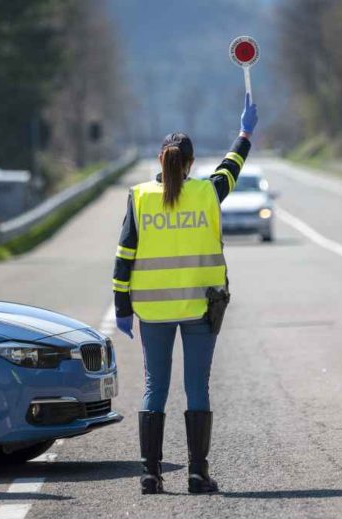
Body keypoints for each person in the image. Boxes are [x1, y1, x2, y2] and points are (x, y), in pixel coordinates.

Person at [112, 94, 258, 494]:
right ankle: (197, 473)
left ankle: (149, 474)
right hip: (199, 309)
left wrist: (122, 307)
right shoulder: (208, 193)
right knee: (197, 386)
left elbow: (124, 257)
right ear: (191, 164)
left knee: (153, 387)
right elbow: (232, 166)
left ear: (161, 161)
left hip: (152, 312)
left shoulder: (140, 197)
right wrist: (244, 133)